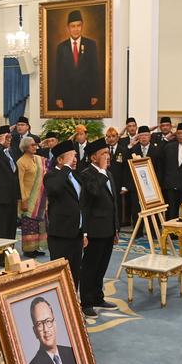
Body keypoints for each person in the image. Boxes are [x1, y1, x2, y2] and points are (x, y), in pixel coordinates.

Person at [79, 138, 118, 317]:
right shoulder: (86, 174)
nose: (107, 156)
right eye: (103, 154)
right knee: (90, 267)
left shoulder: (108, 173)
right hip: (94, 229)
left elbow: (113, 203)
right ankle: (86, 302)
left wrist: (116, 228)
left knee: (102, 266)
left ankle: (97, 297)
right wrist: (84, 232)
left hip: (108, 229)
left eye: (108, 153)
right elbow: (93, 193)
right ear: (94, 157)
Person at [45, 140, 86, 292]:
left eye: (75, 156)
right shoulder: (51, 176)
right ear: (60, 160)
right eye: (71, 157)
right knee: (60, 276)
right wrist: (66, 167)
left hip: (76, 233)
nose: (75, 160)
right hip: (61, 235)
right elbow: (55, 189)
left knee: (75, 274)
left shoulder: (75, 176)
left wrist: (84, 232)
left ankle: (74, 304)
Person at [26, 296, 79, 364]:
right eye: (39, 324)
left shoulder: (72, 353)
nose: (46, 329)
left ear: (55, 323)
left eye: (48, 321)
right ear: (35, 331)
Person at [50, 10, 101, 111]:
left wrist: (95, 94)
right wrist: (58, 96)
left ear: (82, 26)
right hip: (67, 95)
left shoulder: (91, 44)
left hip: (86, 94)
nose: (76, 29)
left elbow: (95, 71)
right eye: (73, 26)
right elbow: (58, 73)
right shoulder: (61, 47)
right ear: (68, 28)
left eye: (78, 25)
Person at [0, 125, 20, 263]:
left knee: (11, 227)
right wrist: (0, 143)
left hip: (12, 196)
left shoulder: (11, 152)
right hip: (0, 197)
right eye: (6, 138)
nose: (9, 140)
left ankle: (9, 256)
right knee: (2, 228)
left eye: (9, 137)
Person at [158, 123, 182, 220]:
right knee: (171, 213)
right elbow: (162, 165)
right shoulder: (169, 147)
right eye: (178, 133)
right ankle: (171, 230)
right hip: (170, 186)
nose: (180, 136)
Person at [17, 136, 47, 257]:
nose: (35, 147)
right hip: (29, 198)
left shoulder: (38, 159)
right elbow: (20, 182)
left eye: (35, 145)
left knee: (38, 223)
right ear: (25, 147)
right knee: (29, 224)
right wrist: (23, 200)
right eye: (32, 145)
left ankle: (35, 247)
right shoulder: (21, 162)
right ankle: (28, 249)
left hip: (40, 197)